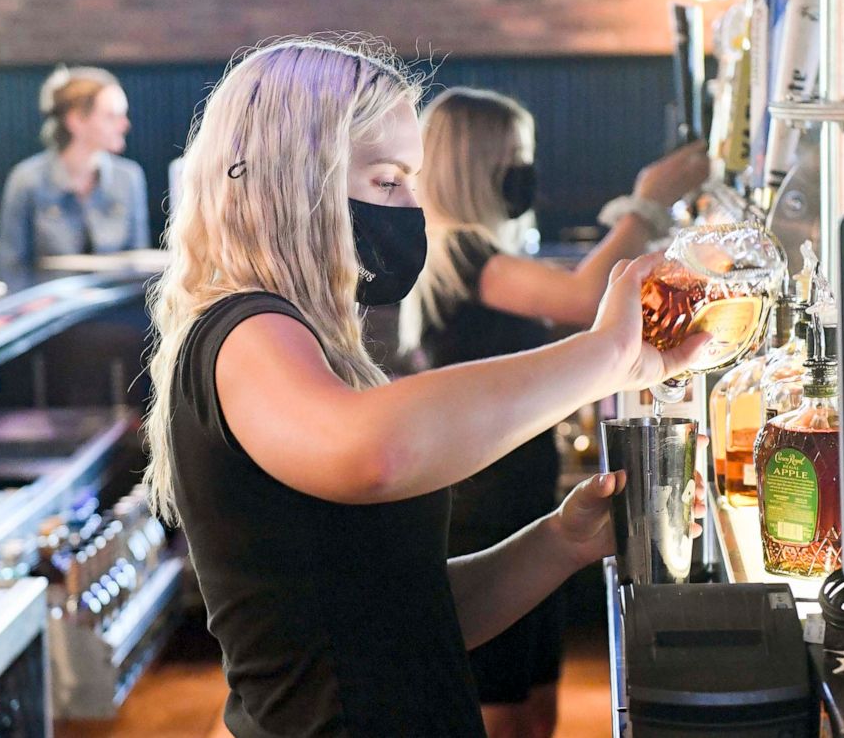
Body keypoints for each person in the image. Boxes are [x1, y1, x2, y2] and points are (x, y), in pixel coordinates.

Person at [143, 37, 709, 738]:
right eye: (387, 182)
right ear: (295, 182)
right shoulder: (245, 329)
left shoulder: (316, 345)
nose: (414, 206)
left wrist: (557, 542)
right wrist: (606, 355)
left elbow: (406, 619)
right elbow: (374, 453)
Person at [398, 87, 709, 738]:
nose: (523, 172)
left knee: (536, 702)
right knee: (500, 709)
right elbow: (581, 298)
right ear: (471, 166)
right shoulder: (460, 252)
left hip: (519, 491)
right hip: (482, 506)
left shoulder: (484, 250)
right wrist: (646, 201)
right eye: (512, 158)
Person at [0, 66, 149, 269]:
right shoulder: (27, 180)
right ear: (76, 120)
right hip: (48, 299)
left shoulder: (129, 177)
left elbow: (138, 266)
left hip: (115, 299)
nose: (125, 124)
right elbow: (11, 266)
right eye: (112, 116)